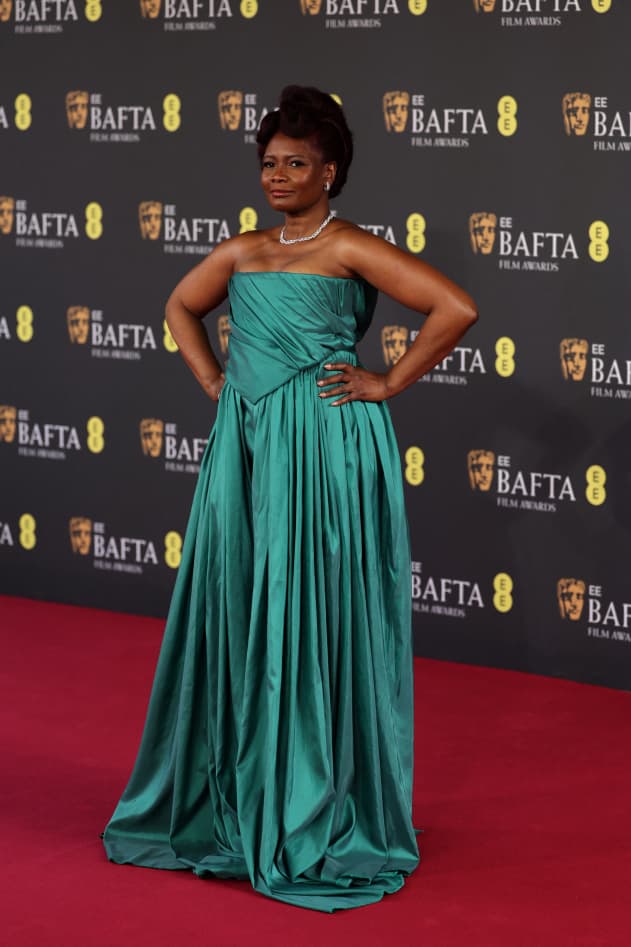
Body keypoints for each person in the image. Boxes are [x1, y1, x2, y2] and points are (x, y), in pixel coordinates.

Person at [102, 85, 477, 912]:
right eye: (268, 163)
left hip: (324, 446)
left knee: (311, 612)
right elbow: (178, 306)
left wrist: (386, 381)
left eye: (295, 164)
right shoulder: (241, 250)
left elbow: (455, 307)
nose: (277, 176)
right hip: (245, 450)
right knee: (240, 604)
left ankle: (314, 801)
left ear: (330, 171)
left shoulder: (348, 247)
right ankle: (239, 791)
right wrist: (214, 379)